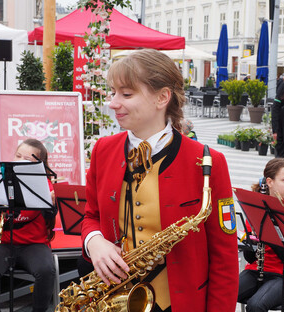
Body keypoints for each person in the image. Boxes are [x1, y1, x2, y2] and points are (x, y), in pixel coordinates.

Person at [81, 49, 239, 312]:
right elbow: (90, 216)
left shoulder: (208, 163)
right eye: (113, 92)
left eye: (126, 94)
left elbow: (225, 259)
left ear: (162, 97)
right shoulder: (103, 150)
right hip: (114, 300)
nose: (112, 103)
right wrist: (94, 241)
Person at [0, 138, 57, 312]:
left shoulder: (46, 185)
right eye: (18, 155)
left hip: (34, 244)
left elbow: (39, 216)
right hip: (2, 243)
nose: (20, 160)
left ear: (39, 164)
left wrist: (51, 204)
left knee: (46, 270)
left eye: (27, 159)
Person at [238, 158, 284, 312]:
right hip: (257, 270)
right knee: (221, 293)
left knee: (256, 306)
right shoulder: (255, 207)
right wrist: (250, 244)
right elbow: (250, 258)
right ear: (270, 182)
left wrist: (269, 233)